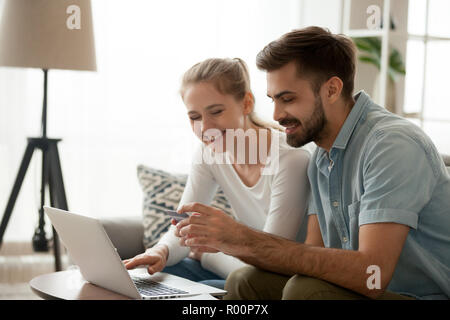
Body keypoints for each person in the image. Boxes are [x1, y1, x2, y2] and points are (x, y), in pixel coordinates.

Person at [175, 27, 450, 300]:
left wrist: (241, 239)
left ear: (331, 89)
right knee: (245, 280)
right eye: (273, 100)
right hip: (361, 290)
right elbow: (310, 255)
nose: (277, 115)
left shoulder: (389, 145)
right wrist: (231, 244)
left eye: (288, 99)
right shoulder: (322, 154)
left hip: (415, 295)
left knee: (305, 291)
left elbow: (372, 274)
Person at [123, 58, 312, 290]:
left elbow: (272, 258)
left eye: (216, 111)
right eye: (195, 117)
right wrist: (159, 252)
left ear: (246, 103)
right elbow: (183, 225)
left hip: (274, 278)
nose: (205, 127)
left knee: (207, 290)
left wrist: (207, 255)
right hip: (241, 265)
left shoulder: (290, 159)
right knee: (149, 278)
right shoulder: (208, 154)